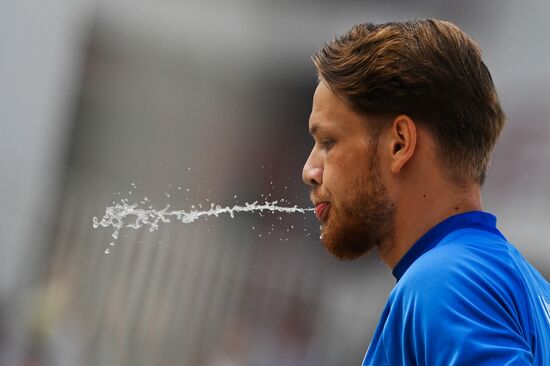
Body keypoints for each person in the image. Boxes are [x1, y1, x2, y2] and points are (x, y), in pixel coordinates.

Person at [302, 19, 550, 365]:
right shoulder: (523, 284)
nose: (310, 171)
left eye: (329, 141)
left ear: (400, 143)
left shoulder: (444, 282)